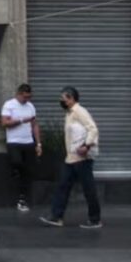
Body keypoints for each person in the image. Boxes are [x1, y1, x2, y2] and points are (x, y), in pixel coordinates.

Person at [40, 86, 101, 229]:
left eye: (64, 98)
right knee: (62, 186)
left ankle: (95, 219)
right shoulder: (69, 113)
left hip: (82, 158)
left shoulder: (80, 111)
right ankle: (56, 217)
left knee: (88, 189)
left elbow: (93, 128)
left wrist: (86, 146)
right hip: (71, 158)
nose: (61, 100)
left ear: (72, 98)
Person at [1, 83, 42, 212]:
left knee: (27, 171)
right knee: (16, 162)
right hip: (14, 141)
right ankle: (15, 172)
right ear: (18, 94)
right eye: (25, 97)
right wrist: (21, 120)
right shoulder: (9, 105)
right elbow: (4, 123)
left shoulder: (31, 106)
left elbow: (35, 125)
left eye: (29, 97)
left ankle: (22, 199)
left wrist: (38, 143)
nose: (27, 100)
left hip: (28, 142)